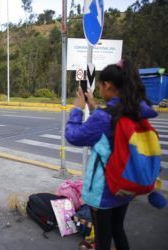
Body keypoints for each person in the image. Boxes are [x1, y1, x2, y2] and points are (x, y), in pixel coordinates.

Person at [65, 59, 158, 250]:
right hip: (125, 186)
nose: (99, 91)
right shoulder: (134, 110)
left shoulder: (104, 117)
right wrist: (93, 107)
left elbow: (73, 136)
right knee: (118, 229)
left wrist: (77, 109)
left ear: (107, 85)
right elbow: (111, 128)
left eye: (100, 86)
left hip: (103, 193)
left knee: (103, 239)